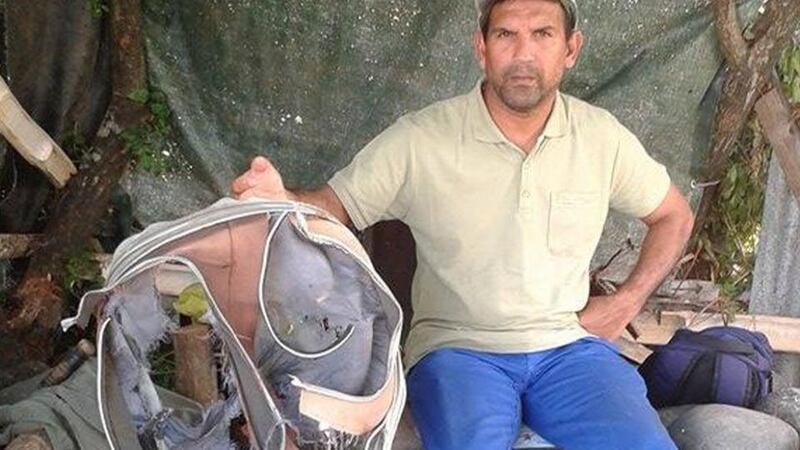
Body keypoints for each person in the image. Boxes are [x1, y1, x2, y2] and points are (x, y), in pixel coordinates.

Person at [232, 0, 694, 448]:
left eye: (543, 34)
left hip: (569, 350)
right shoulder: (422, 138)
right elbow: (333, 206)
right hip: (459, 352)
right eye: (506, 35)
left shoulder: (601, 137)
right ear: (481, 48)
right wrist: (282, 199)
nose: (523, 53)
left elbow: (673, 214)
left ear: (570, 49)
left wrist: (629, 300)